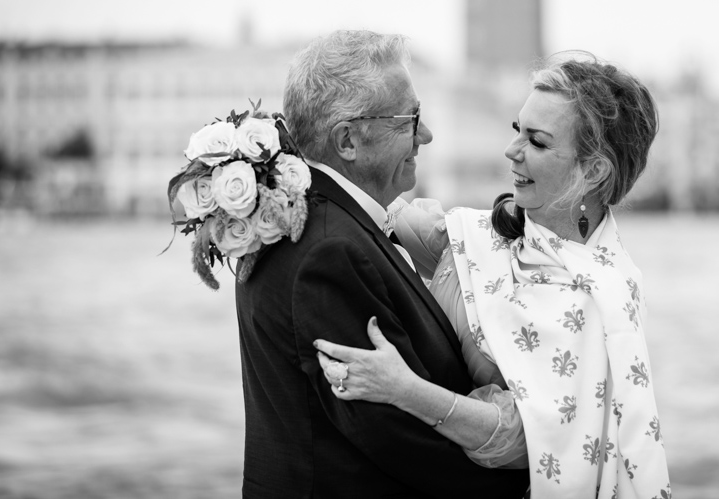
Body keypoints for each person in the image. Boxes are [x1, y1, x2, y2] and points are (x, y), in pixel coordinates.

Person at [314, 53, 672, 499]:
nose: (512, 151)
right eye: (516, 131)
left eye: (537, 142)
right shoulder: (474, 236)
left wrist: (403, 389)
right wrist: (261, 166)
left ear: (594, 170)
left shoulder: (601, 301)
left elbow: (523, 442)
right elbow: (363, 206)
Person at [234, 30, 530, 498]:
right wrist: (541, 472)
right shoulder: (328, 251)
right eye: (410, 120)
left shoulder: (311, 221)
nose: (426, 136)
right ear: (349, 139)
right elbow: (394, 436)